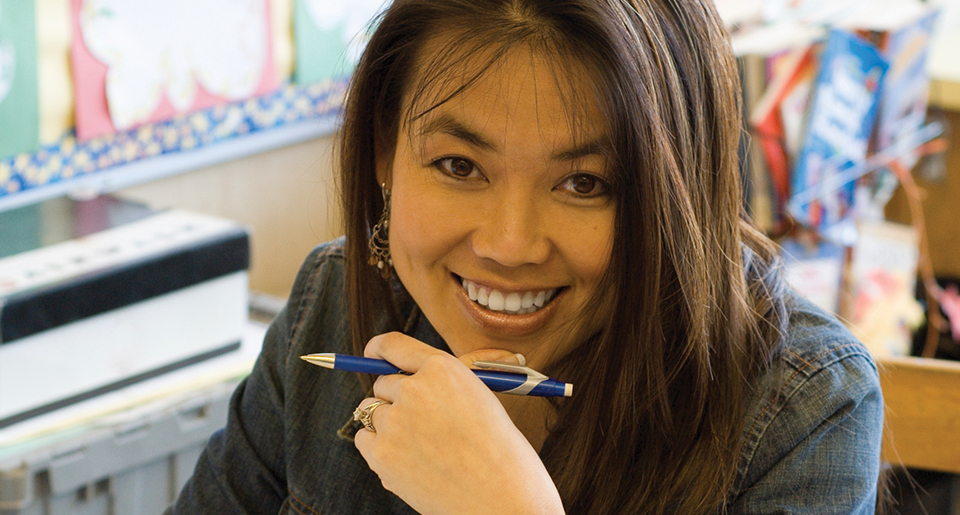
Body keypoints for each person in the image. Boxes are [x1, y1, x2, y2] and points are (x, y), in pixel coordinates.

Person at [167, 0, 884, 513]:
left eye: (584, 183)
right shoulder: (330, 304)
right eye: (457, 165)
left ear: (677, 196)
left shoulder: (806, 406)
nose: (508, 245)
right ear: (386, 152)